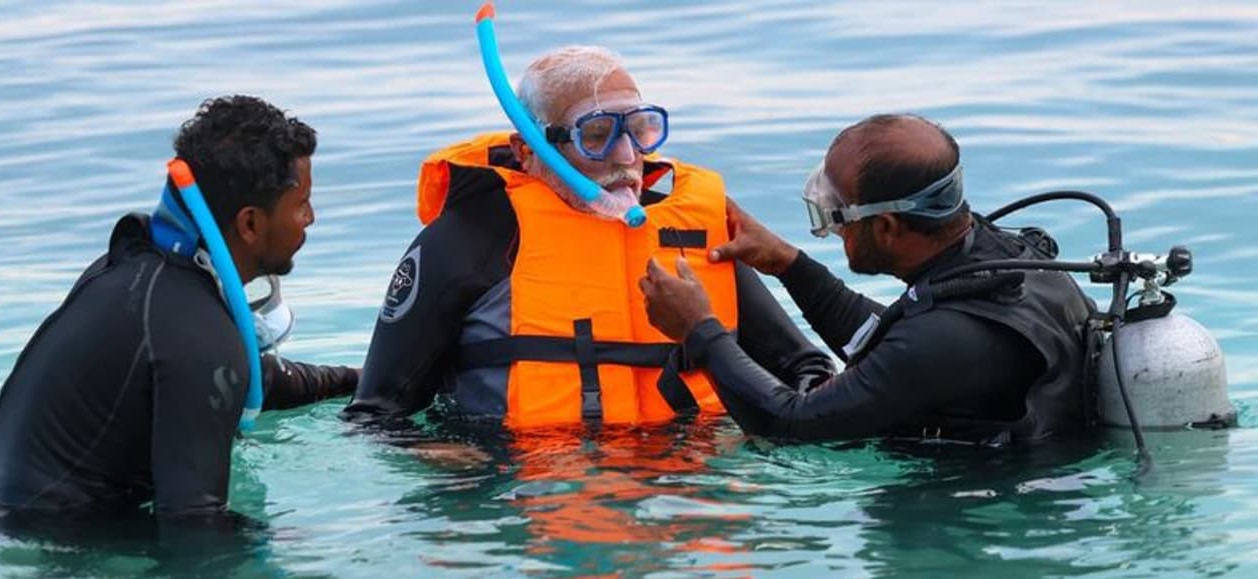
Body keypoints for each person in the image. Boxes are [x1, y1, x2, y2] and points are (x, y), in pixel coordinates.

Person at [348, 46, 830, 427]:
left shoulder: (690, 233)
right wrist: (446, 462)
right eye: (596, 135)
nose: (626, 156)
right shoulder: (468, 240)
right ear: (527, 149)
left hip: (686, 490)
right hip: (522, 495)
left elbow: (808, 369)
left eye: (642, 130)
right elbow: (373, 414)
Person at [0, 95, 359, 520]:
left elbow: (240, 375)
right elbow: (194, 526)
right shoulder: (199, 333)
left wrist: (353, 380)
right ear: (250, 224)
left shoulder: (135, 275)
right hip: (41, 541)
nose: (311, 218)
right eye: (301, 203)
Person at [639, 113, 1096, 445]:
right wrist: (789, 264)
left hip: (979, 520)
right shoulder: (1011, 260)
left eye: (836, 216)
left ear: (887, 227)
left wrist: (699, 332)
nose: (834, 230)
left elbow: (792, 425)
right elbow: (890, 344)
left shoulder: (943, 339)